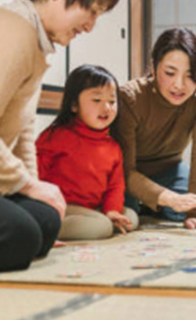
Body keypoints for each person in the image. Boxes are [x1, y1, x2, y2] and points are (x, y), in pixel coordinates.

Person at [0, 0, 121, 272]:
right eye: (93, 11)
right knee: (21, 236)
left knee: (44, 221)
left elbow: (23, 136)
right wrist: (29, 186)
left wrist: (35, 194)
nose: (90, 27)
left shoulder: (35, 42)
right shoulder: (10, 29)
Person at [113, 27, 196, 230]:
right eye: (170, 73)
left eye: (190, 75)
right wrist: (166, 197)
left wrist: (195, 213)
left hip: (168, 169)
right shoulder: (130, 97)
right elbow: (124, 169)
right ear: (154, 67)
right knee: (127, 215)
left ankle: (152, 204)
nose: (179, 85)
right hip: (128, 173)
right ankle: (150, 203)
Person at [37, 65, 139, 240]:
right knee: (101, 227)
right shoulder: (57, 136)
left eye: (112, 101)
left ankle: (105, 220)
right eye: (97, 100)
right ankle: (44, 228)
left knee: (131, 217)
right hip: (62, 207)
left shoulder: (113, 146)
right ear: (74, 105)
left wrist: (112, 211)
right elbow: (35, 172)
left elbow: (115, 186)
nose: (106, 107)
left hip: (94, 208)